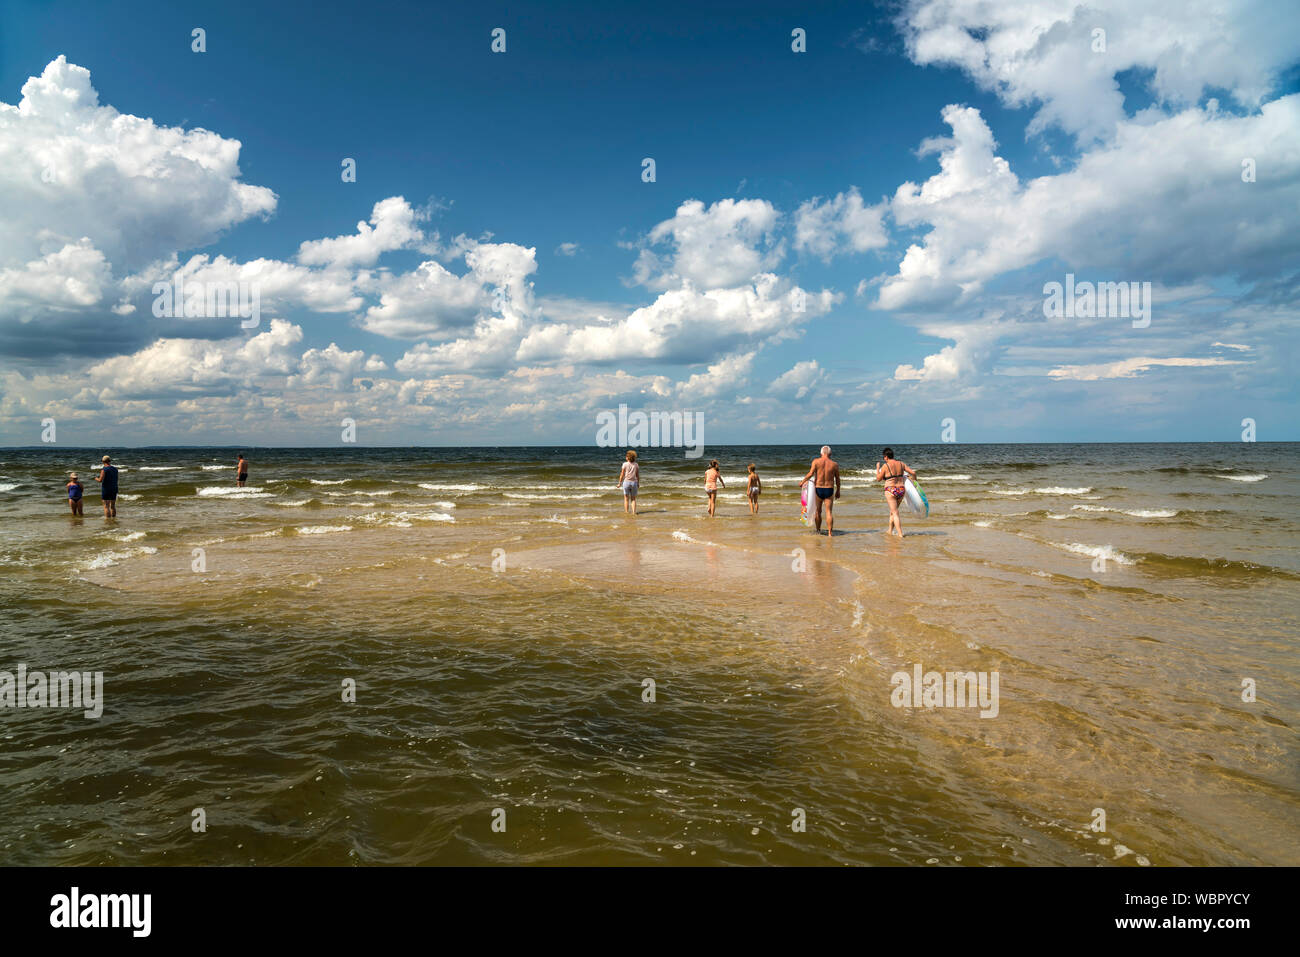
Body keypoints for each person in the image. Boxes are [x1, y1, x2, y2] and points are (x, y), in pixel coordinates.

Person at [875, 447, 918, 538]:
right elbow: (913, 473)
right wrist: (915, 483)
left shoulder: (885, 466)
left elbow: (878, 479)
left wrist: (878, 468)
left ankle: (900, 534)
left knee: (895, 513)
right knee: (893, 512)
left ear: (886, 457)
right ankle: (890, 530)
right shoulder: (901, 464)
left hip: (890, 490)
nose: (884, 459)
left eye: (884, 457)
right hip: (901, 490)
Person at [801, 446, 840, 537]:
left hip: (818, 488)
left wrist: (802, 482)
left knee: (818, 511)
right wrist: (838, 490)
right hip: (829, 489)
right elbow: (837, 479)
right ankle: (830, 533)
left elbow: (810, 474)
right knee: (828, 512)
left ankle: (818, 530)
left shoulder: (816, 462)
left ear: (821, 453)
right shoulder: (834, 464)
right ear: (830, 454)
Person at [617, 450, 640, 515]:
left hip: (626, 482)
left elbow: (622, 474)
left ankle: (627, 512)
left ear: (628, 457)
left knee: (626, 499)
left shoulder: (625, 464)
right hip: (634, 483)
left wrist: (619, 483)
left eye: (626, 456)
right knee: (633, 499)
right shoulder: (636, 464)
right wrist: (638, 483)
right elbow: (637, 475)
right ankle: (634, 512)